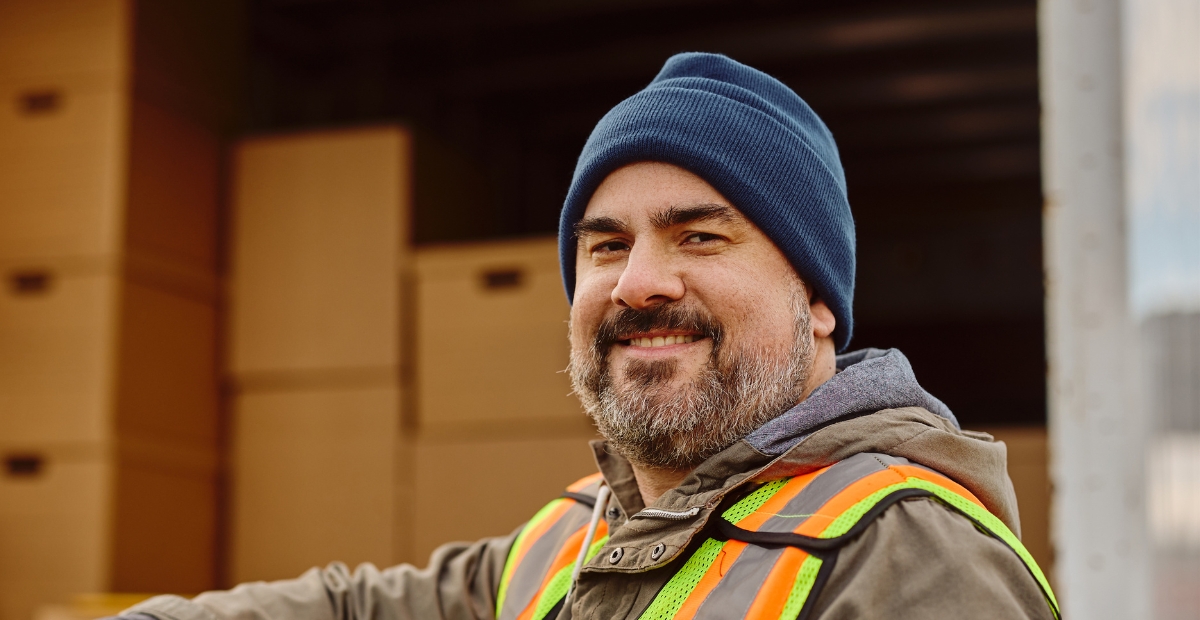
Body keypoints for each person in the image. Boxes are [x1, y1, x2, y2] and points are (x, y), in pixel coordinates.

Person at [120, 53, 1058, 620]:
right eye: (606, 246)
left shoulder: (913, 559)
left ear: (816, 299)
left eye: (700, 234)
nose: (640, 281)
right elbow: (361, 606)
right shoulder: (588, 529)